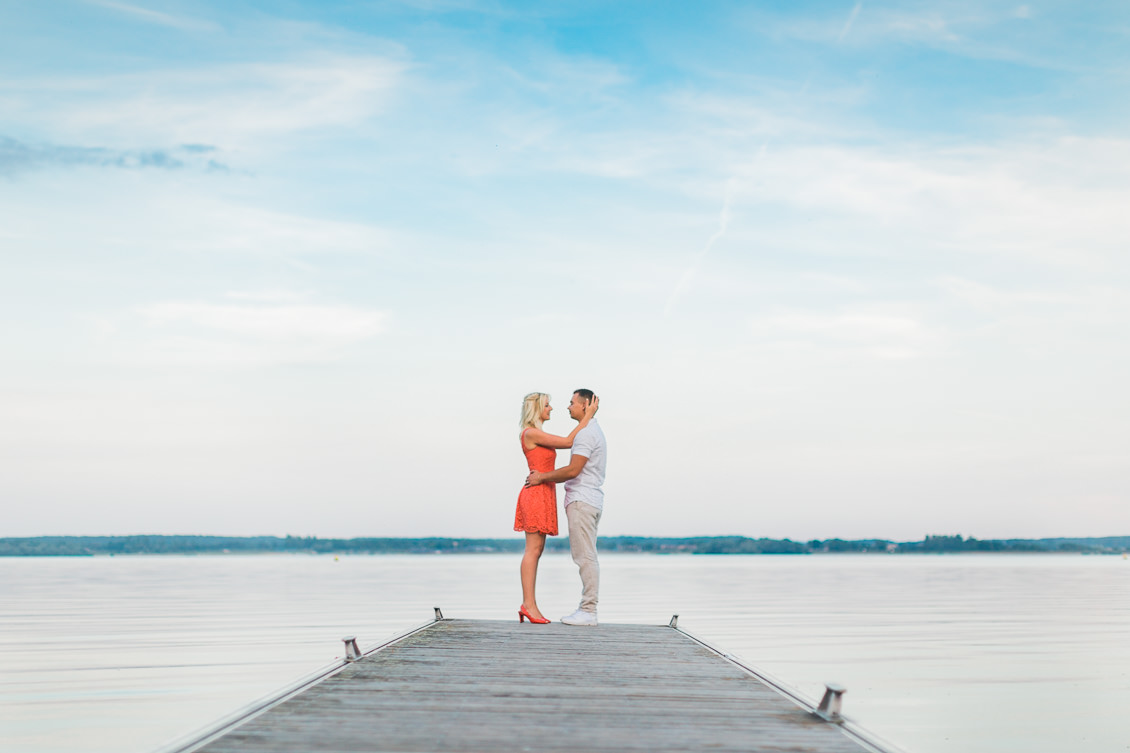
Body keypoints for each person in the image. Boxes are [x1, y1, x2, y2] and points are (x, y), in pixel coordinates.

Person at [514, 391, 598, 624]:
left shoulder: (538, 433)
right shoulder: (530, 433)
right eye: (548, 405)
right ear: (537, 408)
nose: (551, 409)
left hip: (544, 491)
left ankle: (530, 605)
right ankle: (528, 604)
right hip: (536, 492)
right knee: (532, 550)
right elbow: (569, 442)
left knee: (537, 549)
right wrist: (587, 417)